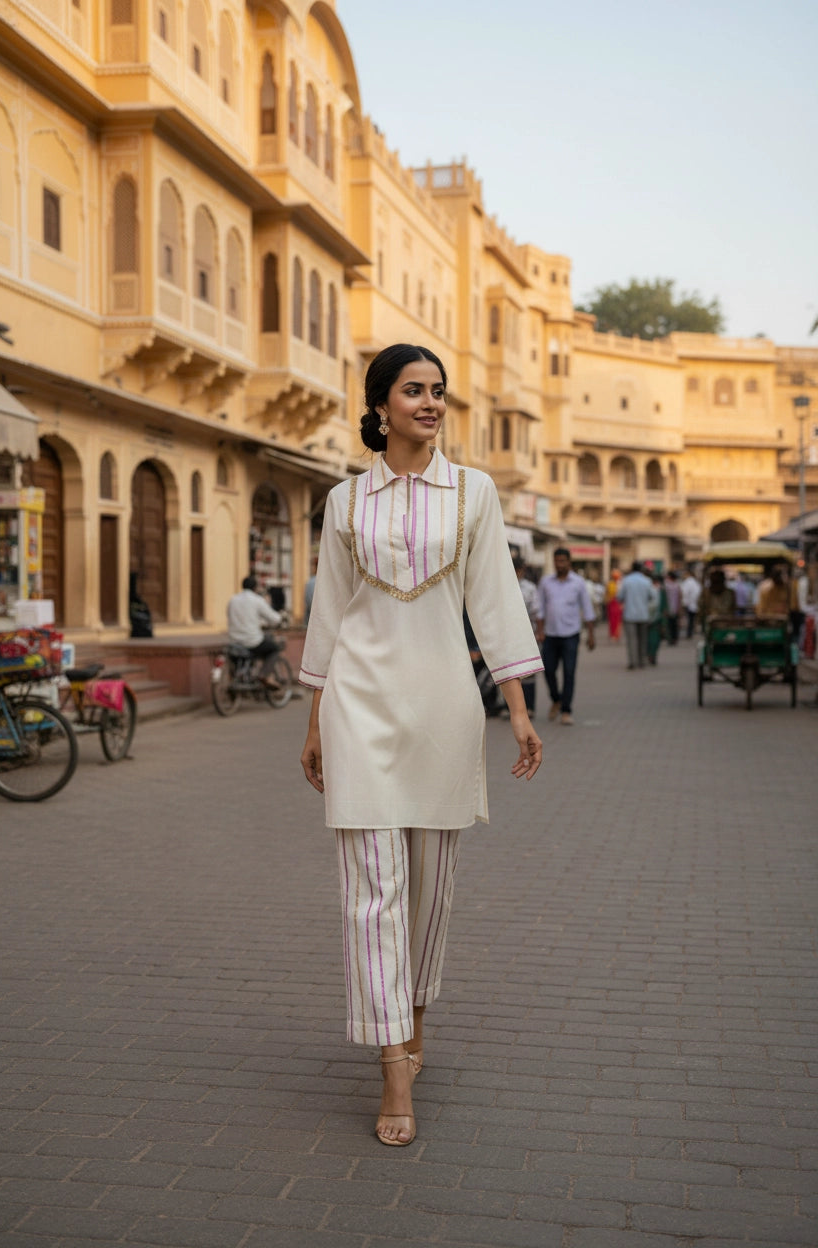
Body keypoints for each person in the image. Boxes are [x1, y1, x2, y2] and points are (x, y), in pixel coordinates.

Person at [298, 343, 543, 1148]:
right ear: (380, 408)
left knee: (429, 892)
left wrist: (517, 706)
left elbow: (495, 599)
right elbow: (330, 613)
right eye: (414, 391)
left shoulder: (473, 492)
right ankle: (393, 1069)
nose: (431, 403)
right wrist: (313, 720)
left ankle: (413, 1018)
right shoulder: (344, 503)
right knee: (372, 896)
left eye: (438, 391)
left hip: (443, 707)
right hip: (358, 708)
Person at [535, 547, 596, 725]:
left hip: (571, 634)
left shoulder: (578, 583)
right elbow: (540, 608)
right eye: (556, 561)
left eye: (562, 561)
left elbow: (588, 609)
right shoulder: (546, 582)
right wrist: (540, 631)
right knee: (548, 671)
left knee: (569, 672)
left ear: (569, 562)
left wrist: (591, 635)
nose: (559, 564)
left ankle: (566, 710)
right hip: (550, 635)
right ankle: (556, 698)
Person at [227, 575, 283, 688]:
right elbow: (274, 618)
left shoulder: (233, 600)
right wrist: (282, 618)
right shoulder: (257, 600)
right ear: (255, 587)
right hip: (252, 641)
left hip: (234, 640)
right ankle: (264, 675)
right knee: (275, 648)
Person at [617, 561, 658, 669]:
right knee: (642, 639)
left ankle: (632, 662)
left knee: (631, 640)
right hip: (643, 614)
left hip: (629, 615)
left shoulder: (626, 581)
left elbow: (619, 597)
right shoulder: (647, 581)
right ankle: (641, 661)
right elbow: (653, 596)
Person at [514, 556, 539, 716]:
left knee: (528, 672)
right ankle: (508, 707)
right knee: (509, 672)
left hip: (527, 634)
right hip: (507, 636)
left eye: (518, 570)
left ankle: (529, 707)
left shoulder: (530, 588)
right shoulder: (499, 586)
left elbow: (536, 611)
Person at [646, 572, 668, 665]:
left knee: (651, 639)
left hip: (649, 619)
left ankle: (650, 655)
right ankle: (652, 655)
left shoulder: (650, 589)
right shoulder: (661, 591)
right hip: (656, 620)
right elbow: (665, 608)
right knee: (654, 639)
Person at [681, 568, 701, 638]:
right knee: (692, 620)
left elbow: (684, 593)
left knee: (690, 620)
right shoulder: (696, 582)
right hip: (694, 604)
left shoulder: (687, 582)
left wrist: (684, 603)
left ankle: (689, 633)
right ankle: (691, 632)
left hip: (689, 604)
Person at [664, 570, 681, 645]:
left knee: (669, 625)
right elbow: (680, 597)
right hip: (675, 608)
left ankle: (670, 639)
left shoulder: (666, 585)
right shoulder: (677, 585)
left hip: (668, 608)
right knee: (674, 625)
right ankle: (675, 639)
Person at [605, 569, 622, 641]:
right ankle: (612, 634)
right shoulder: (610, 584)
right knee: (612, 620)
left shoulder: (620, 584)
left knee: (617, 620)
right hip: (611, 603)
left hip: (618, 603)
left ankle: (616, 634)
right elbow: (606, 593)